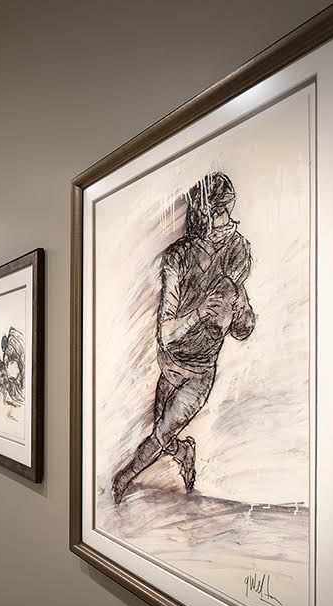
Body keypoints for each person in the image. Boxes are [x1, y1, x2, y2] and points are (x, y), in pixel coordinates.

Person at [111, 172, 257, 504]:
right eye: (221, 210)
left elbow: (239, 328)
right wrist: (201, 310)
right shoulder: (177, 257)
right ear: (204, 213)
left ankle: (123, 479)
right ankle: (185, 453)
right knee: (163, 436)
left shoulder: (237, 250)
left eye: (228, 209)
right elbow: (167, 331)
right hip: (170, 362)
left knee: (161, 434)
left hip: (200, 371)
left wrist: (239, 309)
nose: (229, 219)